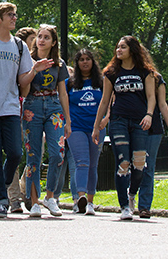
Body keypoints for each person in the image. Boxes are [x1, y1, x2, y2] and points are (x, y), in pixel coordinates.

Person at [0, 2, 46, 219]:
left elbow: (22, 80)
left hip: (11, 108)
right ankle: (2, 202)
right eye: (10, 15)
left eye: (15, 14)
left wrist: (33, 70)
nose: (15, 18)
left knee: (14, 152)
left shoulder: (20, 46)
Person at [92, 35, 156, 220]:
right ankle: (124, 208)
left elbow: (151, 97)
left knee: (139, 165)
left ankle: (131, 194)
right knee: (123, 163)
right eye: (118, 47)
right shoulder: (111, 73)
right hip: (118, 121)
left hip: (139, 122)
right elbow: (104, 101)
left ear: (132, 50)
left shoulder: (146, 72)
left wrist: (149, 115)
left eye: (123, 47)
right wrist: (96, 127)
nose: (118, 50)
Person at [20, 24, 71, 218]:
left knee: (58, 153)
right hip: (32, 105)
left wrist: (68, 121)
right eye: (39, 36)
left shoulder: (59, 64)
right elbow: (23, 85)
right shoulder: (27, 61)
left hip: (53, 106)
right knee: (33, 156)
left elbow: (63, 93)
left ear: (53, 42)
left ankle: (50, 197)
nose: (41, 40)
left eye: (46, 37)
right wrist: (34, 69)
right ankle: (34, 202)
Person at [67, 48, 107, 215]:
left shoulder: (102, 82)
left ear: (93, 62)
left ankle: (90, 201)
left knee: (93, 164)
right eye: (81, 59)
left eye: (87, 59)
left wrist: (106, 119)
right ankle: (80, 198)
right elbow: (63, 101)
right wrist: (66, 123)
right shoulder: (70, 82)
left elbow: (110, 100)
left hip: (96, 128)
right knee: (81, 162)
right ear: (77, 64)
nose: (84, 62)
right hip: (76, 127)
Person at [137, 63, 168, 218]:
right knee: (132, 164)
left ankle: (145, 206)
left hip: (153, 128)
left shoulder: (156, 78)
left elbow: (162, 103)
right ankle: (128, 199)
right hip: (132, 124)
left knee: (148, 166)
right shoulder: (124, 76)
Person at [7, 26, 37, 213]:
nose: (37, 42)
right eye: (33, 39)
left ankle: (27, 191)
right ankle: (14, 198)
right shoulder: (15, 58)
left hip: (35, 112)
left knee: (34, 154)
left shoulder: (40, 62)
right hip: (15, 110)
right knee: (14, 154)